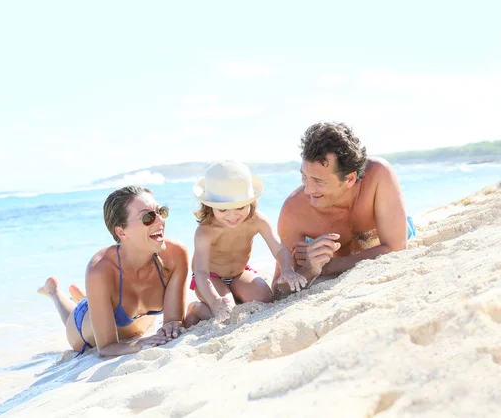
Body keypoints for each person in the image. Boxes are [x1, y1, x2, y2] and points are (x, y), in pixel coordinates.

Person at [37, 185, 190, 357]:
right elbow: (106, 348)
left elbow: (173, 321)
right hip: (84, 330)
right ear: (121, 232)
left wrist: (173, 325)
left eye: (160, 211)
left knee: (122, 316)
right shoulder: (100, 269)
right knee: (70, 319)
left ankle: (90, 297)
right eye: (148, 217)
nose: (160, 221)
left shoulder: (175, 255)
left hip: (134, 319)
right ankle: (54, 292)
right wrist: (138, 344)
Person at [273, 122, 414, 298]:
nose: (308, 190)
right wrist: (310, 269)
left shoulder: (378, 175)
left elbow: (396, 248)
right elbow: (278, 291)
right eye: (304, 177)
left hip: (393, 229)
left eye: (318, 181)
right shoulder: (294, 212)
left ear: (349, 179)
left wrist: (330, 266)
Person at [185, 161, 307, 326]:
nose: (233, 215)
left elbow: (278, 248)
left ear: (251, 201)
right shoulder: (206, 231)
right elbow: (200, 272)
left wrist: (287, 269)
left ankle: (233, 296)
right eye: (223, 210)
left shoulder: (257, 220)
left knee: (265, 299)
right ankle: (196, 308)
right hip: (210, 278)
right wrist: (215, 302)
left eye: (240, 207)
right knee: (227, 313)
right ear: (209, 205)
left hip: (239, 274)